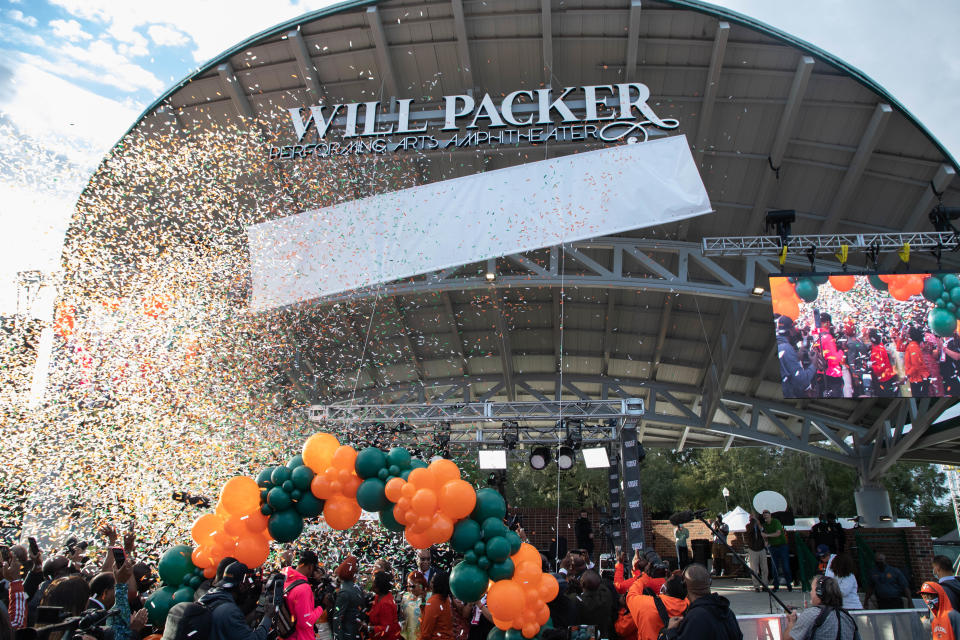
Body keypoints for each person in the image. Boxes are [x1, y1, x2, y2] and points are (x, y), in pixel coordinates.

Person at [198, 561, 274, 640]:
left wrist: (261, 596)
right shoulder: (229, 610)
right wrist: (268, 617)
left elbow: (243, 620)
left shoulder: (211, 596)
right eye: (249, 583)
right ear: (241, 585)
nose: (250, 587)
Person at [663, 564, 741, 640]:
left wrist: (671, 631)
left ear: (684, 586)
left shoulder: (695, 617)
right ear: (709, 582)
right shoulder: (728, 612)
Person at [784, 575, 858, 640]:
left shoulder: (811, 614)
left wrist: (791, 622)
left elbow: (788, 639)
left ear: (819, 593)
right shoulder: (848, 618)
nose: (810, 593)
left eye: (812, 590)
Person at [625, 572, 688, 640]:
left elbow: (631, 596)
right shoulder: (690, 606)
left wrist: (643, 578)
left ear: (664, 589)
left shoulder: (647, 605)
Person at [283, 550, 325, 640]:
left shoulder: (285, 577)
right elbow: (305, 623)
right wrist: (322, 606)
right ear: (310, 567)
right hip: (301, 637)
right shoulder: (303, 588)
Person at [778, 316, 817, 397]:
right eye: (794, 327)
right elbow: (802, 380)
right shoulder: (786, 348)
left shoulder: (780, 344)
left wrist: (797, 356)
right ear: (790, 330)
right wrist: (814, 364)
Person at [331, 556, 364, 640]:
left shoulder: (345, 591)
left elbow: (337, 617)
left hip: (349, 633)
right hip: (353, 633)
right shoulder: (356, 588)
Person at [813, 313, 845, 398]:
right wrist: (841, 350)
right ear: (827, 323)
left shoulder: (816, 336)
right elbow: (834, 359)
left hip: (820, 373)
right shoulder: (827, 337)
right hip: (831, 376)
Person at [761, 510, 792, 592]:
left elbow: (778, 533)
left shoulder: (776, 522)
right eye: (764, 515)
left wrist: (767, 535)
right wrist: (766, 540)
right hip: (773, 547)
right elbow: (765, 536)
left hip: (782, 546)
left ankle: (789, 583)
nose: (766, 517)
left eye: (767, 515)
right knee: (774, 567)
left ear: (770, 515)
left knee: (785, 566)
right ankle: (776, 585)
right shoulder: (764, 525)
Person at [419, 571, 454, 640]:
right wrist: (423, 602)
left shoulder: (433, 602)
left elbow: (425, 633)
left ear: (435, 585)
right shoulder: (446, 599)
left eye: (432, 581)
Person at [367, 572, 401, 640]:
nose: (371, 584)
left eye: (373, 582)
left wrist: (368, 628)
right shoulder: (378, 596)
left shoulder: (386, 604)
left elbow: (387, 628)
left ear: (378, 587)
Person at [869, 328, 898, 397]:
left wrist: (871, 366)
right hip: (887, 375)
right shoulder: (880, 346)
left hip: (884, 378)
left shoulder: (877, 350)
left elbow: (881, 367)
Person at [744, 512, 768, 593]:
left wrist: (758, 523)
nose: (752, 517)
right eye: (751, 516)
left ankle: (765, 585)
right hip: (753, 549)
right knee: (754, 569)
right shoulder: (748, 525)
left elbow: (763, 530)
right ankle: (756, 586)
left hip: (761, 548)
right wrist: (753, 522)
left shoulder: (760, 524)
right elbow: (749, 531)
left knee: (764, 568)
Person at [401, 571, 427, 640]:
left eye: (412, 586)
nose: (409, 588)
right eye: (408, 585)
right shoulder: (406, 596)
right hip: (407, 636)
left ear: (420, 585)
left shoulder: (429, 598)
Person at [905, 326, 931, 397]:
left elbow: (916, 365)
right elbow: (899, 348)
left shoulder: (913, 347)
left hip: (919, 378)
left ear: (910, 335)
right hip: (915, 377)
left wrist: (907, 375)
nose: (905, 334)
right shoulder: (911, 345)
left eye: (907, 333)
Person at [846, 326, 872, 397]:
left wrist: (868, 346)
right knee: (864, 392)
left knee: (868, 389)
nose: (855, 328)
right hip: (860, 372)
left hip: (865, 368)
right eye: (853, 327)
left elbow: (861, 346)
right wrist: (855, 376)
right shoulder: (851, 343)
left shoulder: (856, 339)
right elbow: (851, 361)